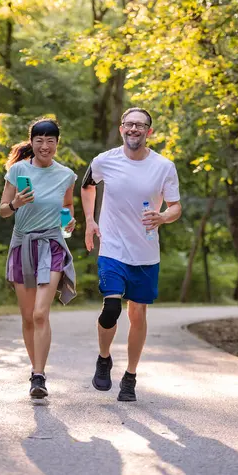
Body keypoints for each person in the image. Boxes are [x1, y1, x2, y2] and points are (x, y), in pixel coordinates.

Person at [81, 107, 181, 402]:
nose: (134, 129)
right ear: (121, 127)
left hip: (146, 252)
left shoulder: (164, 166)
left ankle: (131, 376)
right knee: (111, 308)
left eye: (141, 125)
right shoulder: (104, 161)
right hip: (112, 247)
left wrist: (163, 217)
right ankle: (103, 358)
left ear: (149, 132)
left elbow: (175, 206)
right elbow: (87, 185)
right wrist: (90, 220)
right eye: (129, 124)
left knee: (137, 314)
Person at [0, 117, 77, 399]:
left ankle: (39, 376)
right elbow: (3, 211)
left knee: (41, 313)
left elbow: (67, 206)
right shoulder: (18, 170)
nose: (45, 146)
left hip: (52, 245)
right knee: (28, 317)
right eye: (39, 140)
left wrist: (69, 222)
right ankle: (35, 369)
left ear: (57, 143)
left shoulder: (66, 175)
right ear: (31, 143)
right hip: (22, 246)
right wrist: (16, 203)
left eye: (51, 141)